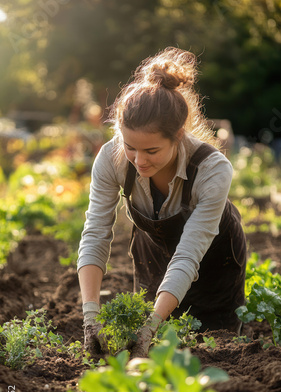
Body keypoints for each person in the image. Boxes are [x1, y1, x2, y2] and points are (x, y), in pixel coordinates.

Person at [77, 47, 247, 358]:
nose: (139, 160)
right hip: (153, 257)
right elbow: (95, 234)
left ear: (179, 135)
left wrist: (153, 323)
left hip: (213, 264)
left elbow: (189, 254)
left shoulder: (212, 170)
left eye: (152, 151)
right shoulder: (111, 158)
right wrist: (90, 317)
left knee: (211, 356)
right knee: (149, 356)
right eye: (130, 147)